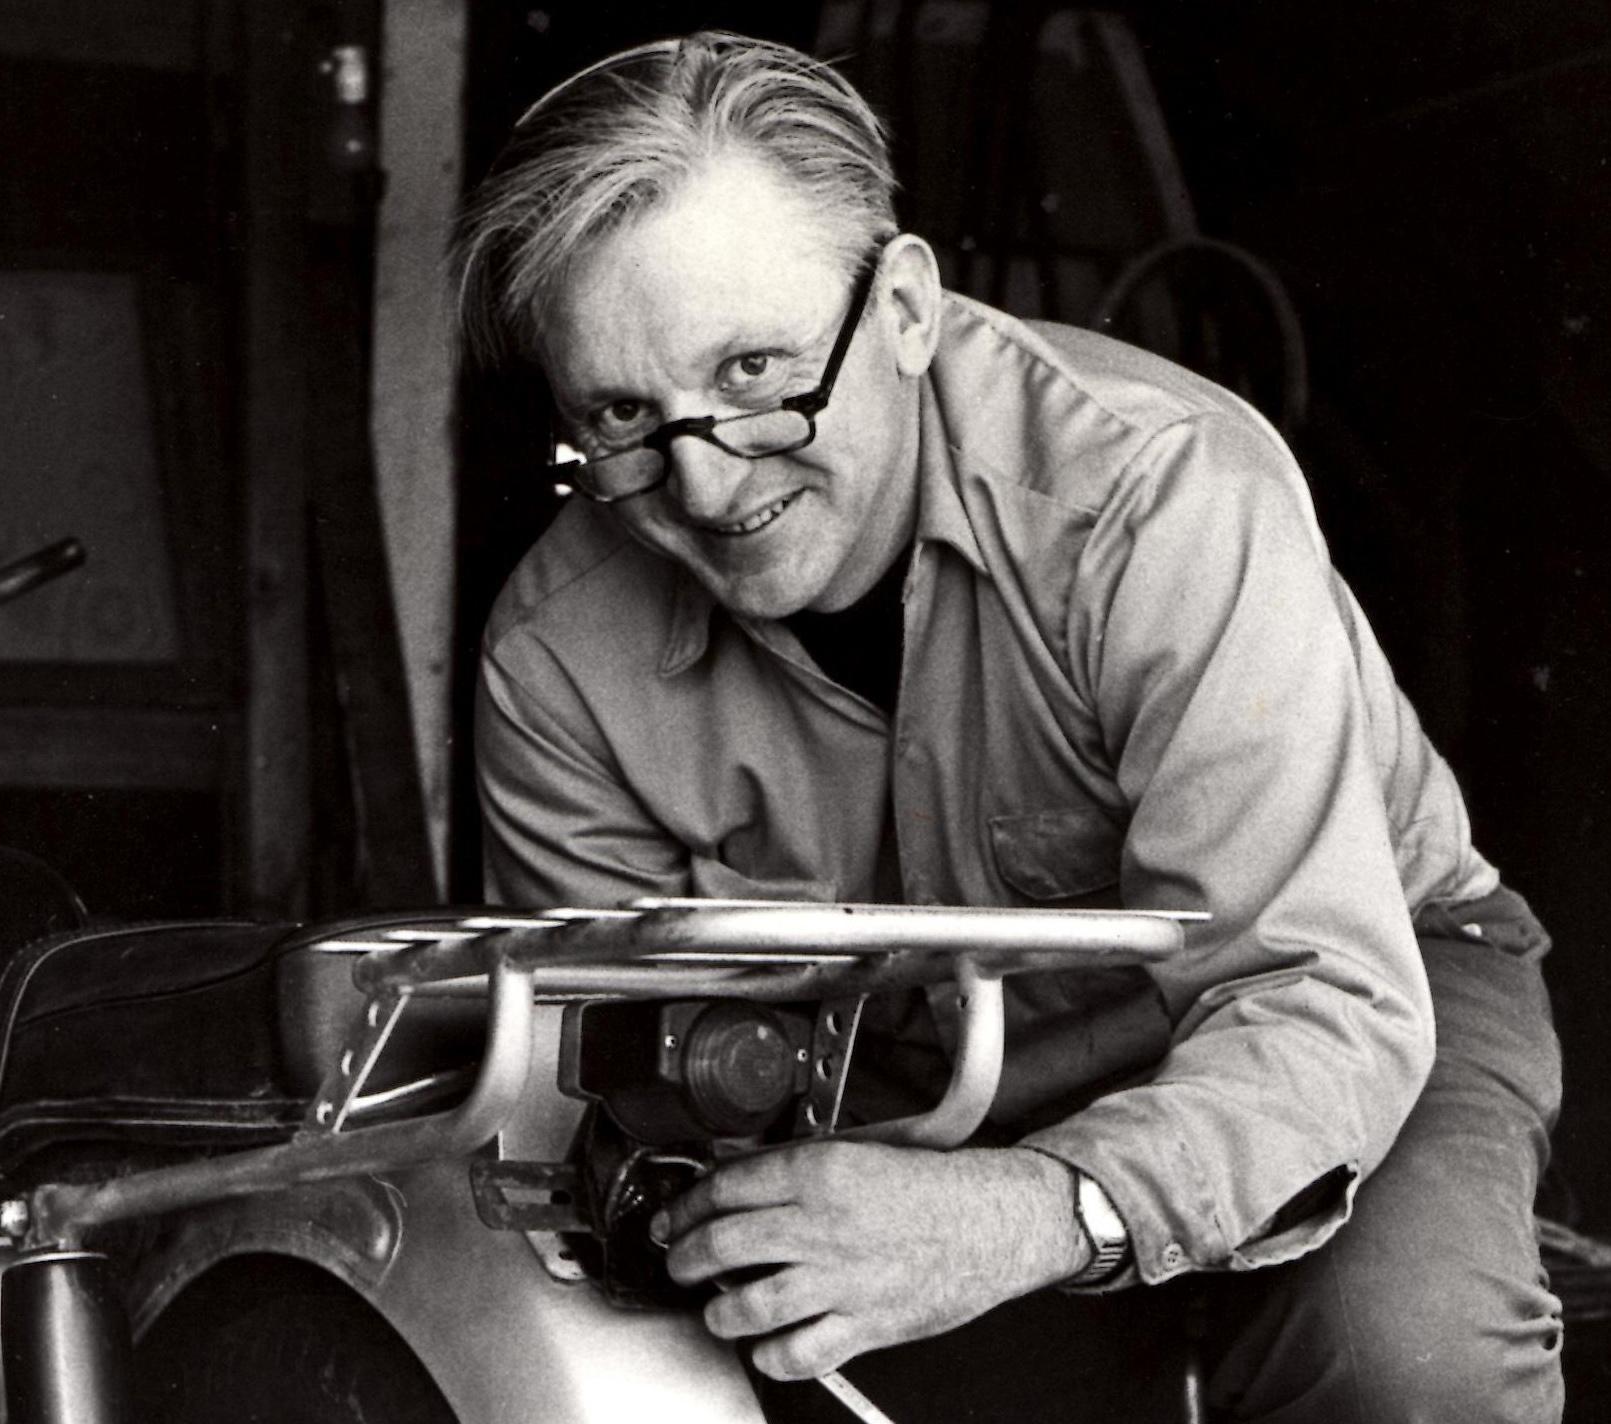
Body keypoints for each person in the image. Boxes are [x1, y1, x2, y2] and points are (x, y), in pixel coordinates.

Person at [454, 31, 1563, 1422]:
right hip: (927, 1085)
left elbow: (1318, 990)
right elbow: (615, 1090)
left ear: (908, 308)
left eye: (755, 373)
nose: (703, 481)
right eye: (622, 414)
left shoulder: (1158, 498)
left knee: (1406, 1365)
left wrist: (1031, 1215)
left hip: (1361, 979)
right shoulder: (555, 660)